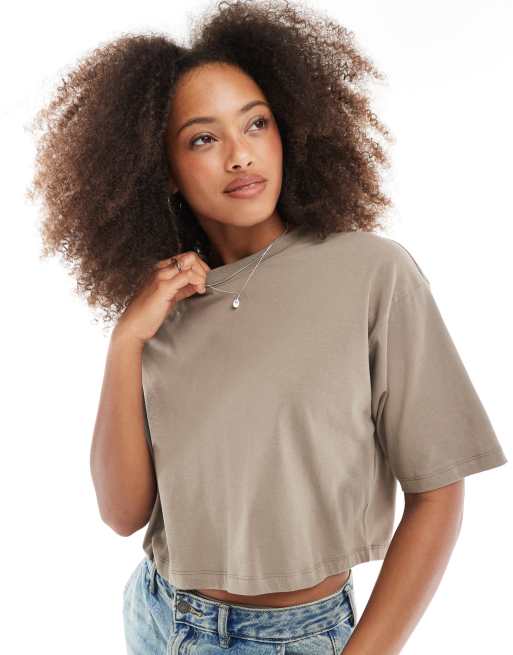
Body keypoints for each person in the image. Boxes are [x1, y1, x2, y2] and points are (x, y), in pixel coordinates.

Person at [27, 1, 508, 653]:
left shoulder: (371, 272)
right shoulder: (163, 304)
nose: (239, 155)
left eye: (255, 123)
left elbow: (439, 490)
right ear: (165, 171)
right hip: (157, 615)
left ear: (288, 129)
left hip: (294, 636)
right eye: (203, 138)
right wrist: (126, 341)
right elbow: (121, 513)